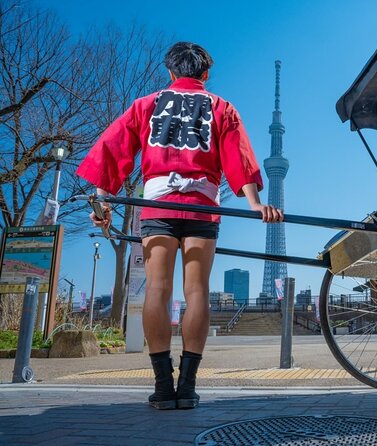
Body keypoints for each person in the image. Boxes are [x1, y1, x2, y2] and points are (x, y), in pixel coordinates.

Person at [76, 42, 283, 410]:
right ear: (205, 74)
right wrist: (255, 204)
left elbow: (113, 148)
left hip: (157, 203)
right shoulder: (221, 107)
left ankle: (162, 386)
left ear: (170, 73)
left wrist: (102, 199)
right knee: (198, 290)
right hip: (202, 204)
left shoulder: (146, 105)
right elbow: (239, 156)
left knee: (157, 287)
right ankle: (187, 386)